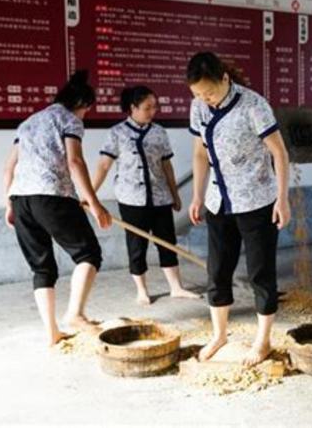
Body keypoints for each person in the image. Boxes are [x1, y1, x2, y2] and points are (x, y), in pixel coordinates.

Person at [187, 52, 291, 366]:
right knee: (217, 271)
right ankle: (219, 335)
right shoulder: (198, 107)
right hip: (219, 202)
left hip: (257, 200)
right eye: (198, 95)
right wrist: (196, 196)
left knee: (260, 272)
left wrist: (282, 199)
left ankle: (263, 341)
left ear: (225, 79)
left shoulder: (253, 105)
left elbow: (280, 153)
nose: (205, 99)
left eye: (210, 92)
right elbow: (199, 154)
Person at [3, 70, 112, 347]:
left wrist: (9, 203)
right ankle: (75, 314)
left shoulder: (29, 122)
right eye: (88, 109)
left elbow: (9, 168)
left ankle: (52, 332)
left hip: (21, 199)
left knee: (42, 269)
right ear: (82, 104)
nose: (86, 114)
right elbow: (75, 162)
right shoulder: (70, 119)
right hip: (52, 195)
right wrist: (96, 204)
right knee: (88, 253)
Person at [92, 85, 199, 304]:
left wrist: (174, 193)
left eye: (154, 107)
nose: (153, 111)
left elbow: (166, 165)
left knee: (167, 242)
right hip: (132, 199)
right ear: (133, 108)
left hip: (160, 197)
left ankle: (176, 287)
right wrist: (90, 194)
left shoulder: (159, 131)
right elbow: (103, 166)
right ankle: (141, 290)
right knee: (137, 245)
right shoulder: (117, 133)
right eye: (147, 107)